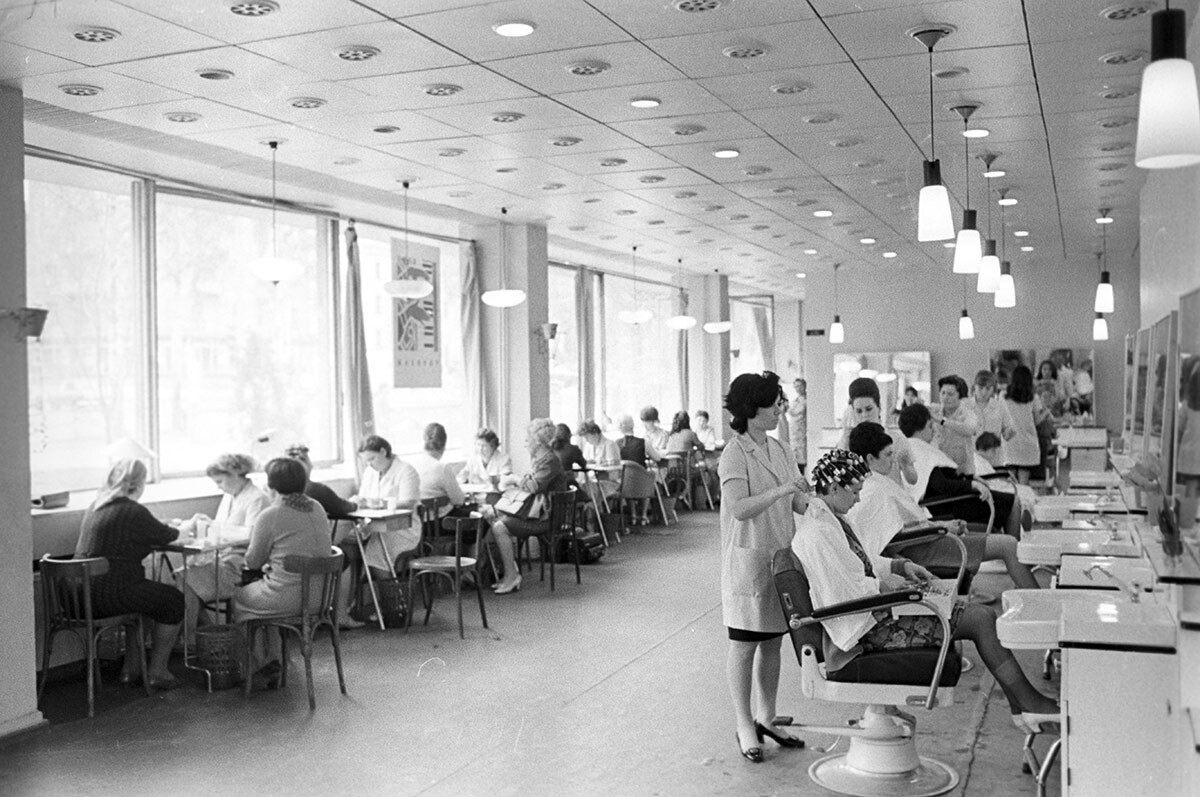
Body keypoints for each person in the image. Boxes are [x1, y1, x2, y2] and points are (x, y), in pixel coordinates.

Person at [791, 450, 1059, 733]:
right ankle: (1029, 705)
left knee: (982, 617)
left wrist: (900, 566)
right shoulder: (818, 534)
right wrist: (883, 586)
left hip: (872, 616)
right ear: (834, 488)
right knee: (981, 620)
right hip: (863, 632)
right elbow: (842, 594)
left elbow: (862, 564)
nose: (858, 499)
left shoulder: (833, 520)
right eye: (855, 492)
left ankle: (1025, 705)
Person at [719, 371, 810, 763]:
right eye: (774, 402)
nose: (779, 408)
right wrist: (782, 490)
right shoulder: (734, 453)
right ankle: (744, 723)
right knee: (744, 645)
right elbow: (739, 509)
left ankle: (767, 717)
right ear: (751, 408)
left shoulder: (780, 448)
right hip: (748, 559)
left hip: (780, 557)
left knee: (773, 641)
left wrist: (820, 496)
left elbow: (797, 503)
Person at [847, 423, 1037, 590]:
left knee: (1004, 541)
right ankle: (1040, 601)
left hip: (927, 539)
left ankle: (1033, 596)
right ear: (870, 459)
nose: (893, 459)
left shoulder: (874, 483)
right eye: (888, 454)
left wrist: (940, 525)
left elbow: (901, 526)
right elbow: (893, 540)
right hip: (922, 550)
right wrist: (940, 528)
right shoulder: (871, 490)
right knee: (1009, 545)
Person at [75, 459, 184, 690]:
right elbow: (167, 535)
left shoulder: (96, 506)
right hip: (109, 595)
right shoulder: (133, 511)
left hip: (78, 595)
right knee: (173, 599)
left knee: (147, 599)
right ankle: (157, 671)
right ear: (139, 483)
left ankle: (131, 669)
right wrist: (187, 526)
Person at [234, 457, 332, 689]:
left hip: (288, 597)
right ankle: (275, 660)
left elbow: (253, 561)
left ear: (271, 484)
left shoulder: (271, 514)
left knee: (240, 598)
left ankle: (258, 666)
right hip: (321, 596)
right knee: (264, 594)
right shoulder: (317, 507)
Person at [181, 453, 271, 637]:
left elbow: (251, 536)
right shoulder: (230, 497)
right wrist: (210, 525)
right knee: (181, 574)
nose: (219, 487)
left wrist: (218, 529)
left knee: (184, 577)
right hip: (225, 556)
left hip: (244, 564)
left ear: (236, 474)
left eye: (220, 481)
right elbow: (223, 527)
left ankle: (193, 637)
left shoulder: (257, 498)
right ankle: (207, 634)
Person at [898, 404, 1021, 537]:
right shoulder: (920, 451)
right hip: (949, 506)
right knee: (1014, 503)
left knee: (1008, 502)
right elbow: (941, 484)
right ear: (921, 429)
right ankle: (1015, 549)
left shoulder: (912, 448)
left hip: (948, 502)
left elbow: (942, 479)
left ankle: (1009, 546)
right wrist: (972, 485)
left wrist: (970, 479)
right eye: (930, 425)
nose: (933, 430)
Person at [487, 418, 571, 594]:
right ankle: (510, 570)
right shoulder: (542, 459)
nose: (525, 444)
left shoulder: (549, 461)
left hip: (547, 518)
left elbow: (534, 487)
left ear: (537, 441)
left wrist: (514, 479)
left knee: (499, 527)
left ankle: (512, 575)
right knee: (495, 517)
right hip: (540, 513)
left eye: (527, 439)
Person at [284, 442, 362, 630]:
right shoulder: (315, 490)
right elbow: (344, 508)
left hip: (285, 556)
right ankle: (341, 613)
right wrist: (357, 502)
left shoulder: (276, 496)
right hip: (310, 555)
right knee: (344, 558)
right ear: (307, 465)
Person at [350, 435, 420, 575]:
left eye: (372, 459)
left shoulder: (406, 470)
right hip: (373, 525)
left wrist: (379, 504)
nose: (370, 464)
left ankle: (388, 594)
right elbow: (363, 497)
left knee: (377, 552)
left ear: (383, 452)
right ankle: (356, 594)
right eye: (366, 461)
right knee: (348, 543)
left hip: (401, 528)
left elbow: (408, 503)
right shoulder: (370, 472)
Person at [837, 378, 917, 487]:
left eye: (869, 409)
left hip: (890, 499)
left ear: (879, 407)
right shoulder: (848, 442)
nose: (864, 415)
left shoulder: (896, 439)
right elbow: (838, 479)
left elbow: (913, 479)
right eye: (859, 411)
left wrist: (905, 464)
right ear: (853, 412)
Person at [284, 443, 357, 519]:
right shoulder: (316, 489)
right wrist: (356, 504)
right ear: (305, 466)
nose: (311, 465)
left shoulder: (279, 492)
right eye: (308, 460)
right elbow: (341, 507)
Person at [411, 422, 466, 518]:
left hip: (418, 525)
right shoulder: (442, 468)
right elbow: (459, 500)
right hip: (443, 523)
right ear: (444, 445)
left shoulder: (412, 465)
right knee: (483, 523)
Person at [930, 375, 980, 475]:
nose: (945, 397)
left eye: (950, 394)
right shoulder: (934, 411)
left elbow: (969, 429)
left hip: (962, 472)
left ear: (960, 396)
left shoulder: (968, 414)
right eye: (943, 393)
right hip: (939, 469)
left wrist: (943, 421)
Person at [1004, 365, 1046, 484]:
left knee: (1010, 483)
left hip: (1009, 441)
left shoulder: (1004, 396)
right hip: (1027, 442)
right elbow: (1037, 421)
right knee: (1024, 484)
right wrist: (1046, 413)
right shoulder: (1033, 397)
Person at [969, 371, 1015, 457]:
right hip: (972, 458)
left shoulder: (999, 406)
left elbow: (1008, 429)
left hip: (994, 457)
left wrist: (1009, 432)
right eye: (980, 387)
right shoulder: (965, 406)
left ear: (993, 389)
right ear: (974, 386)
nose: (984, 392)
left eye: (988, 388)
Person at [787, 378, 807, 475]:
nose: (798, 388)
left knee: (802, 457)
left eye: (800, 386)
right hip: (794, 432)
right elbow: (791, 411)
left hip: (802, 432)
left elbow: (796, 411)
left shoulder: (806, 401)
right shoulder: (795, 400)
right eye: (796, 386)